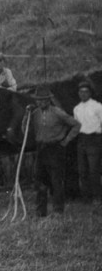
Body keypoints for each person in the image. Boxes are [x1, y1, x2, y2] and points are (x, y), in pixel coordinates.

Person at [23, 87, 80, 216]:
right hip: (40, 149)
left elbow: (76, 125)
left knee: (56, 181)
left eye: (43, 100)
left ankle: (58, 210)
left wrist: (66, 141)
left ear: (48, 100)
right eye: (38, 100)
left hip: (55, 150)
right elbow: (25, 129)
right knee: (40, 181)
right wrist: (26, 115)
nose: (40, 102)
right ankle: (40, 212)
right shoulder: (35, 113)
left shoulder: (58, 112)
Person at [73, 82, 102, 205]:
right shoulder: (77, 108)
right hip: (82, 140)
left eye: (85, 91)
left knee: (93, 170)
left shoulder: (98, 106)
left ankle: (97, 197)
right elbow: (76, 125)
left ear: (90, 93)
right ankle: (86, 198)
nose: (83, 94)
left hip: (94, 139)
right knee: (82, 170)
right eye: (81, 92)